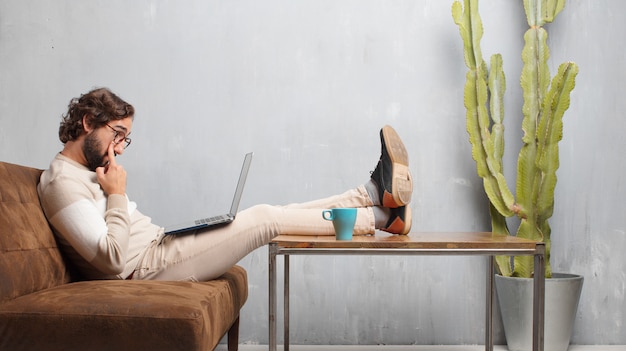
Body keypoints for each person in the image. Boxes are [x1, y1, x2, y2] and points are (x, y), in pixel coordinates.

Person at [38, 87, 413, 282]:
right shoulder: (60, 183)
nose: (120, 149)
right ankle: (381, 219)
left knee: (277, 212)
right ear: (88, 123)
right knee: (266, 218)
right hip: (146, 269)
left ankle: (367, 195)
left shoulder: (91, 173)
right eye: (117, 135)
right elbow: (110, 259)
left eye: (125, 139)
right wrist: (117, 195)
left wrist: (112, 192)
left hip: (161, 246)